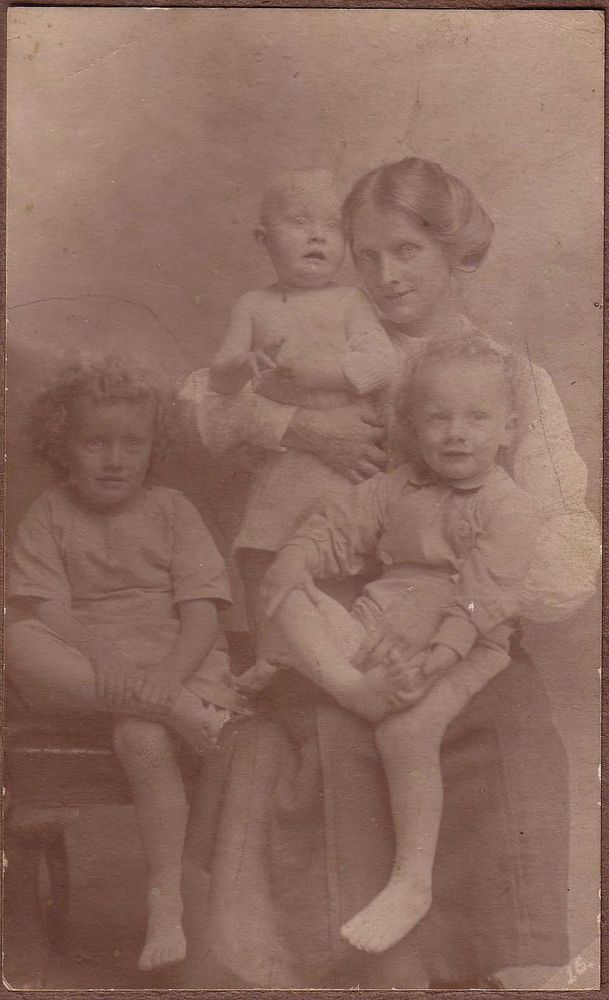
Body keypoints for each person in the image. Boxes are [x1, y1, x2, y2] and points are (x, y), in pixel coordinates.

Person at [181, 158, 599, 988]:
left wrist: (478, 575)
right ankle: (360, 970)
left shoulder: (510, 377)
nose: (384, 275)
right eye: (363, 254)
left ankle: (498, 961)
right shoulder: (320, 329)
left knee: (513, 726)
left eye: (405, 251)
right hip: (333, 624)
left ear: (453, 252)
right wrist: (298, 427)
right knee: (312, 738)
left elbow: (566, 541)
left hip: (458, 617)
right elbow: (200, 405)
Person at [257, 334, 543, 956]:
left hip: (463, 646)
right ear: (411, 424)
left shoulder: (510, 507)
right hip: (374, 627)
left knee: (404, 732)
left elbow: (483, 595)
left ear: (508, 428)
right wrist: (295, 559)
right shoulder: (396, 487)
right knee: (288, 595)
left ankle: (413, 881)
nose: (455, 432)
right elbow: (335, 528)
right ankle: (349, 688)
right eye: (437, 416)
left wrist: (434, 659)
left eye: (476, 417)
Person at [5, 356, 246, 974]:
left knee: (141, 735)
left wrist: (165, 678)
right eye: (95, 443)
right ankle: (164, 709)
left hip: (172, 661)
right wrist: (111, 664)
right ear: (63, 446)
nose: (114, 459)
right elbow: (48, 611)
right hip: (87, 666)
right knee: (19, 641)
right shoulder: (52, 512)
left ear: (152, 448)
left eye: (131, 444)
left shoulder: (171, 509)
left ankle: (164, 902)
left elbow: (201, 616)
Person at [208, 167, 394, 648]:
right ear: (263, 238)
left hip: (344, 471)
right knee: (264, 554)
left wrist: (322, 375)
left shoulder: (352, 300)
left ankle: (337, 663)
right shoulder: (253, 305)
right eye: (299, 222)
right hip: (286, 464)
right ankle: (269, 661)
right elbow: (219, 379)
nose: (317, 235)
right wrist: (242, 365)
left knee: (341, 566)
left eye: (332, 226)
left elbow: (380, 361)